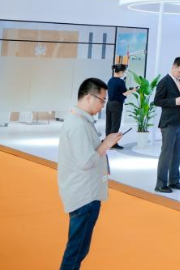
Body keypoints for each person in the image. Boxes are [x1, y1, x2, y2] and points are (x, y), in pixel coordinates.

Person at [57, 78, 121, 270]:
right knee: (76, 251)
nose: (103, 105)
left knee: (78, 249)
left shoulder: (80, 120)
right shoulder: (78, 125)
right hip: (84, 196)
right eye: (102, 100)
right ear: (88, 97)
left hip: (83, 192)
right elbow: (87, 161)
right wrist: (106, 144)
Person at [154, 57, 180, 193]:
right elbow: (157, 101)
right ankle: (160, 184)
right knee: (166, 154)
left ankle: (174, 181)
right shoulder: (164, 81)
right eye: (179, 71)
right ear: (173, 67)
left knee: (177, 154)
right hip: (169, 123)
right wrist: (174, 101)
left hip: (179, 122)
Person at [105, 64, 131, 149]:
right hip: (116, 104)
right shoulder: (120, 82)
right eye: (124, 72)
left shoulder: (110, 80)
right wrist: (132, 91)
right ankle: (113, 144)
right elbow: (124, 94)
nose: (124, 74)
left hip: (109, 104)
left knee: (109, 124)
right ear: (120, 72)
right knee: (115, 125)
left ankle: (107, 142)